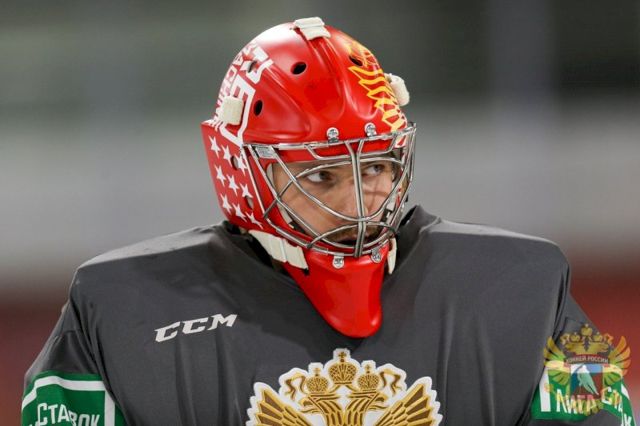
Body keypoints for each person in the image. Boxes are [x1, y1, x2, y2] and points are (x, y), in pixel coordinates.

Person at [22, 17, 635, 426]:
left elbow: (600, 412)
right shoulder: (115, 308)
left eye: (377, 167)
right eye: (321, 176)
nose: (360, 201)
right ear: (242, 171)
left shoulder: (532, 284)